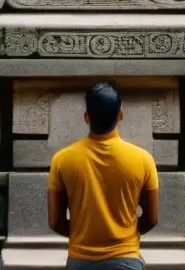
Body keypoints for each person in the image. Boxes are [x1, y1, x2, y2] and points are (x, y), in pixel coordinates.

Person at [48, 82, 160, 270]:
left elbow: (55, 221)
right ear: (120, 116)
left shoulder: (62, 160)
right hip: (126, 259)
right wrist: (124, 234)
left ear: (86, 117)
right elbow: (152, 218)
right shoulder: (143, 160)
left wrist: (84, 235)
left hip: (80, 260)